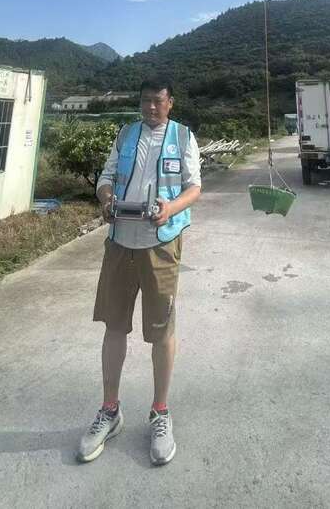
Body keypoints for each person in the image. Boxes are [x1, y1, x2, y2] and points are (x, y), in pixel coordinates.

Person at [77, 78, 202, 466]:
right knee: (114, 326)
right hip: (120, 243)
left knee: (161, 331)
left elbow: (194, 187)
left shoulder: (183, 137)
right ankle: (110, 410)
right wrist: (106, 199)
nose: (150, 107)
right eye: (146, 100)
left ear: (170, 103)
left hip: (161, 243)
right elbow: (105, 178)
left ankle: (160, 412)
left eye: (158, 101)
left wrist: (170, 208)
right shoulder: (126, 134)